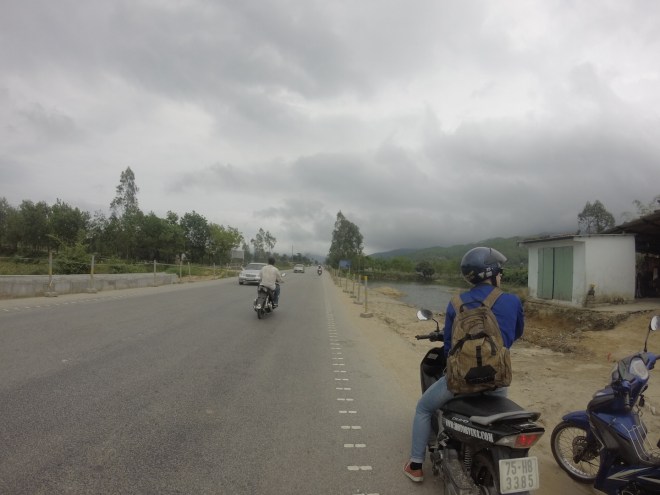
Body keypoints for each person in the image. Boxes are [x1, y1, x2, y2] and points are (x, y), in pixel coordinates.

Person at [403, 246, 525, 483]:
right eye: (500, 272)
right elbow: (516, 333)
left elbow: (449, 347)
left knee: (423, 408)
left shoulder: (455, 302)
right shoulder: (512, 301)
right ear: (492, 274)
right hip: (497, 379)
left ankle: (415, 465)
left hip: (461, 382)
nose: (501, 276)